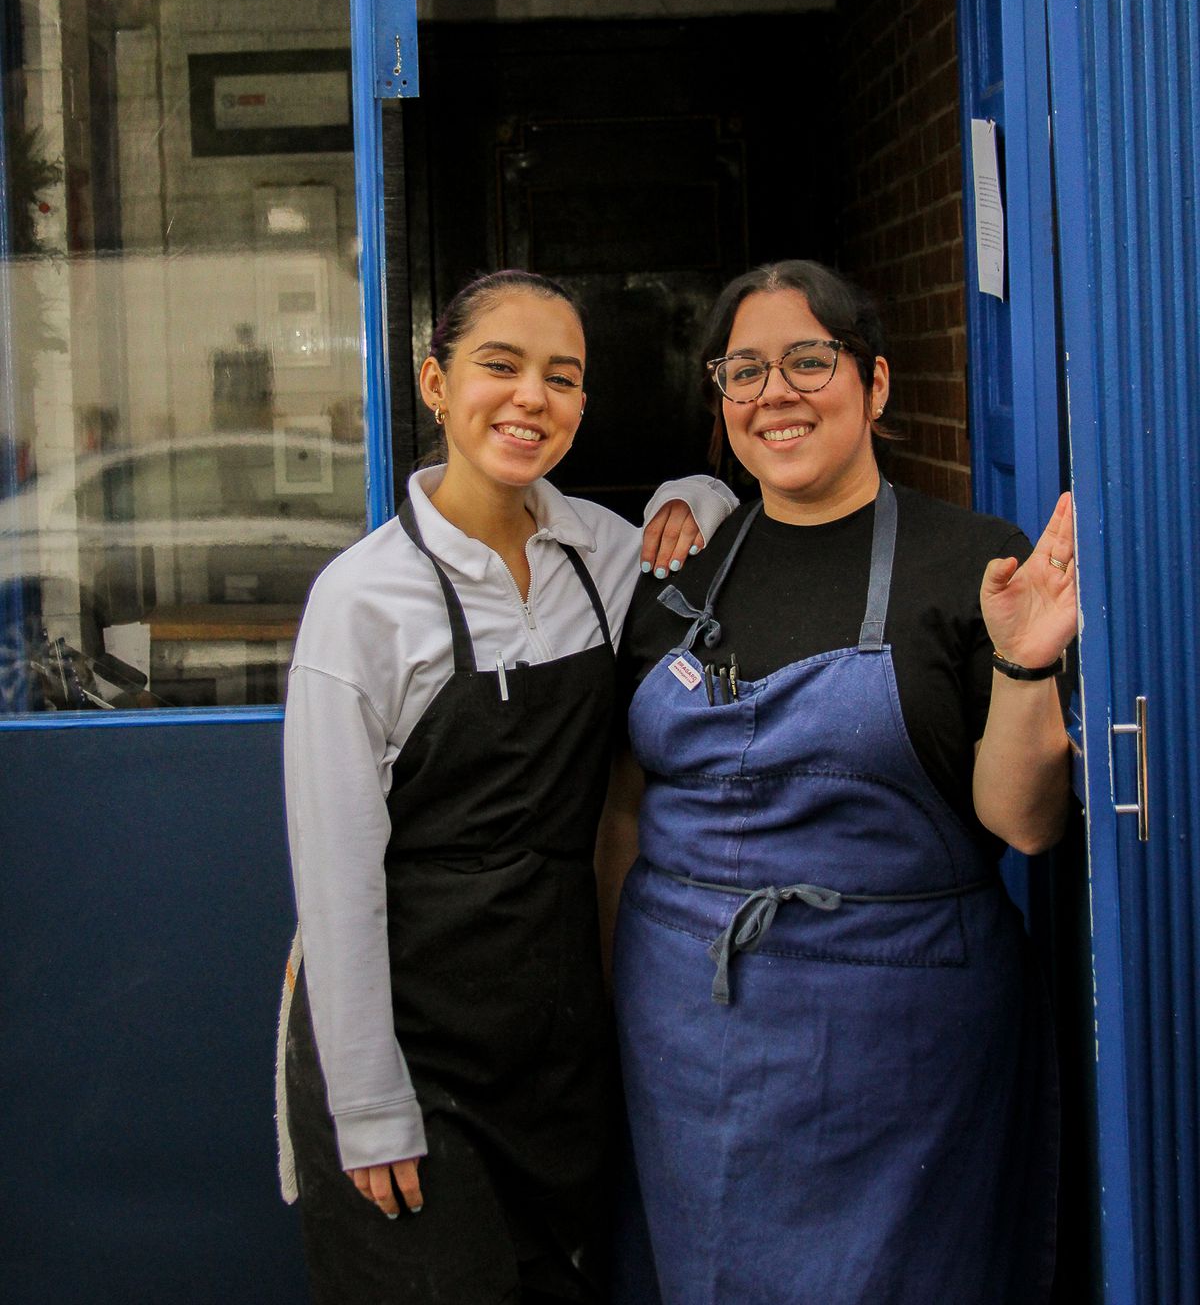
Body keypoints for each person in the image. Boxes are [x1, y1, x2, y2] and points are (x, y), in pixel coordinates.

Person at [611, 259, 1074, 1305]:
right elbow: (625, 818)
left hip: (903, 1052)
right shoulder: (679, 575)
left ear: (874, 384)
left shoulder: (977, 566)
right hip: (688, 1040)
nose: (775, 393)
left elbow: (1025, 824)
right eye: (744, 370)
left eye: (809, 360)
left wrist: (1027, 662)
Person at [279, 268, 735, 1305]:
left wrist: (694, 495)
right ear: (435, 383)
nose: (532, 397)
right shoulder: (362, 601)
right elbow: (338, 880)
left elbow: (721, 542)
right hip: (408, 1052)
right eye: (502, 366)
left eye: (562, 378)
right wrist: (369, 1104)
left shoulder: (601, 559)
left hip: (550, 1042)